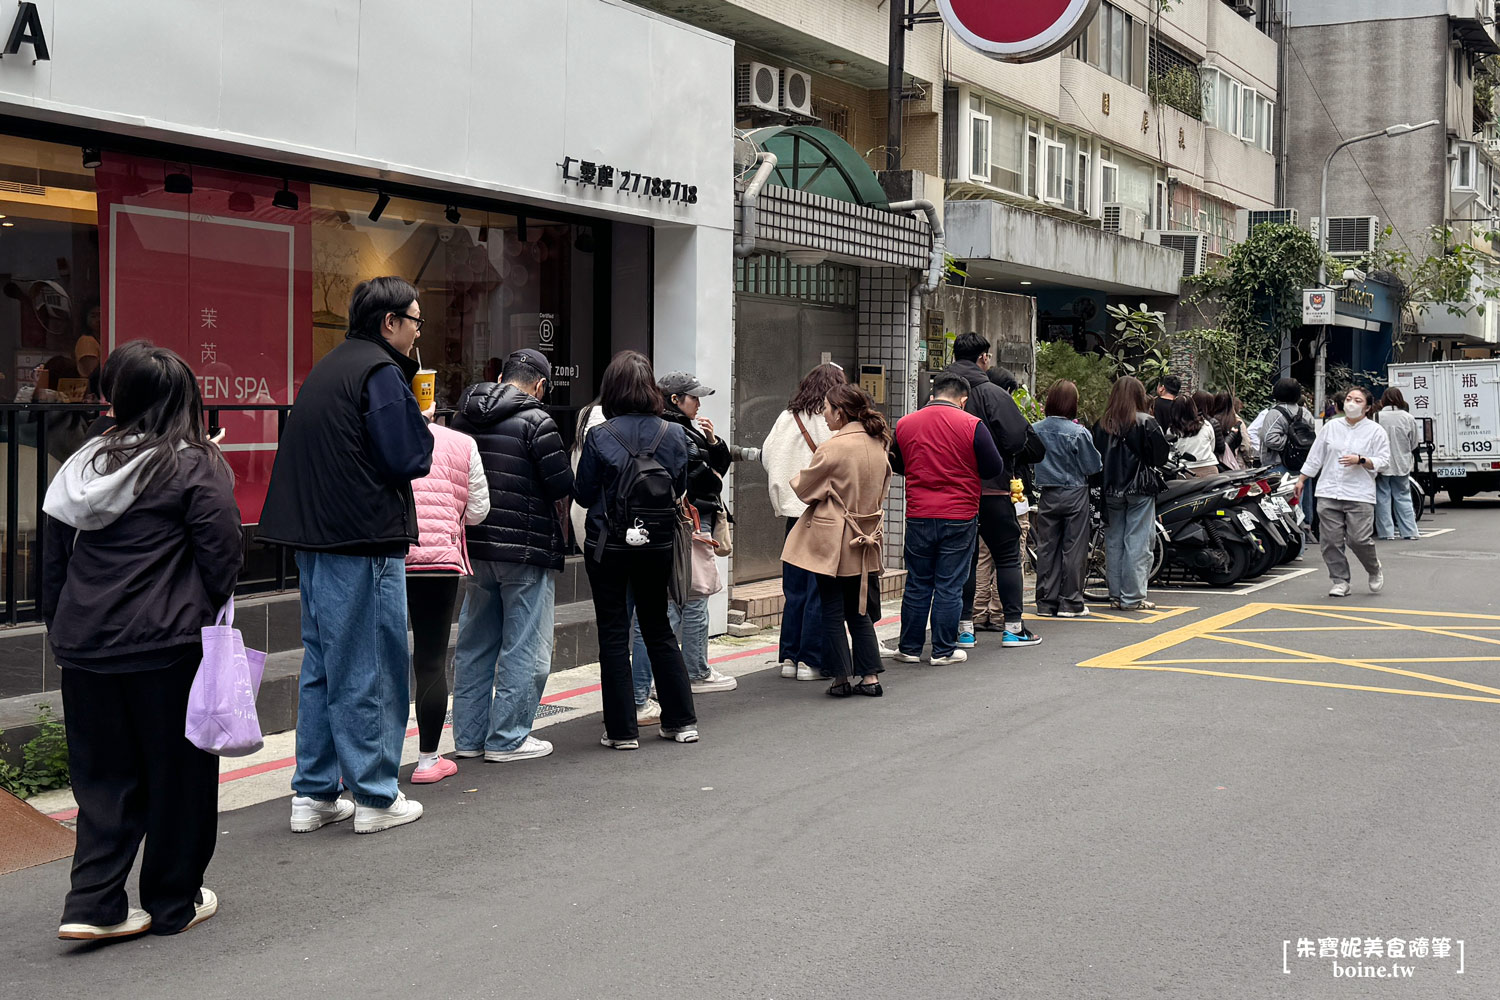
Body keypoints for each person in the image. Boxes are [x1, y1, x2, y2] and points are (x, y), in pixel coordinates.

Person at [41, 345, 240, 940]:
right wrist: (198, 615)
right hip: (166, 645)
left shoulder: (82, 463)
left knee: (102, 777)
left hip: (85, 644)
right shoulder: (193, 463)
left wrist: (66, 625)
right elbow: (223, 553)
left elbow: (52, 565)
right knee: (179, 776)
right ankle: (172, 900)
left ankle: (92, 904)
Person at [260, 276, 435, 835]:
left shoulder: (330, 366)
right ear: (390, 323)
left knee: (324, 667)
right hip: (362, 542)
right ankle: (377, 796)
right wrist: (423, 426)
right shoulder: (380, 373)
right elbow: (408, 455)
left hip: (316, 542)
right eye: (414, 321)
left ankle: (314, 793)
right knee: (373, 667)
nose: (416, 332)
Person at [449, 350, 575, 763]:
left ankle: (467, 739)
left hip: (475, 546)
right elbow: (561, 485)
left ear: (501, 376)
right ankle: (507, 738)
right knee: (523, 646)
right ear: (540, 386)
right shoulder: (538, 421)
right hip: (525, 548)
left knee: (475, 644)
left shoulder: (464, 416)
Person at [575, 351, 698, 748]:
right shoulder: (674, 434)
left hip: (608, 546)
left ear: (610, 389)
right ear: (651, 389)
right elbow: (678, 488)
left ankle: (622, 731)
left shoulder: (599, 435)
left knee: (613, 634)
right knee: (658, 627)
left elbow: (583, 493)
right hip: (657, 544)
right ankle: (681, 721)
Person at [628, 371, 738, 695]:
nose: (699, 403)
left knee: (680, 603)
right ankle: (691, 672)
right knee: (688, 600)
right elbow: (707, 480)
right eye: (693, 397)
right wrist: (713, 469)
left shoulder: (679, 429)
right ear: (674, 399)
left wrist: (714, 442)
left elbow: (715, 465)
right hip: (687, 523)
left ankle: (670, 676)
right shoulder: (676, 431)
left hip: (677, 523)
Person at [781, 384, 892, 696]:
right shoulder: (878, 444)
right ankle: (870, 678)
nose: (824, 414)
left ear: (840, 412)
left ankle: (840, 678)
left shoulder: (832, 448)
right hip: (866, 533)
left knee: (831, 608)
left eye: (827, 408)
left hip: (835, 536)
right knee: (859, 609)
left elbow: (804, 489)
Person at [890, 372, 1005, 665]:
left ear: (933, 395)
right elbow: (993, 467)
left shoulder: (905, 424)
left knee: (917, 583)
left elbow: (897, 463)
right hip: (960, 514)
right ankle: (942, 650)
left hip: (918, 514)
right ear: (963, 400)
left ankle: (910, 648)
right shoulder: (972, 425)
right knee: (949, 584)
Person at [403, 407, 490, 785]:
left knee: (377, 660)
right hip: (439, 561)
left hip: (389, 557)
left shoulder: (380, 436)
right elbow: (477, 512)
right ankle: (427, 760)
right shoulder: (462, 443)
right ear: (432, 408)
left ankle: (367, 762)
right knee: (431, 660)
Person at [945, 332, 1040, 649]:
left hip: (952, 494)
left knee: (965, 561)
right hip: (995, 491)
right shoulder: (992, 393)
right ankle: (1013, 627)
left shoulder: (935, 395)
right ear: (983, 357)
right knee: (1008, 558)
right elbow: (1017, 438)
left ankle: (964, 629)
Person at [761, 362, 848, 680]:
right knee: (818, 590)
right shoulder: (833, 420)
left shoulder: (787, 417)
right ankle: (811, 661)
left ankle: (789, 658)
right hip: (822, 514)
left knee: (795, 589)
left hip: (792, 514)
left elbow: (768, 456)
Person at [1295, 385, 1390, 597]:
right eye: (1349, 398)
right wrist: (1302, 479)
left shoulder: (1376, 431)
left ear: (1367, 408)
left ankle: (1373, 569)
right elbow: (1316, 455)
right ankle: (1340, 580)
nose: (1351, 403)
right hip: (1329, 491)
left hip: (1359, 493)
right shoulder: (1331, 427)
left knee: (1359, 539)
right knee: (1330, 541)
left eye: (1358, 401)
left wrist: (1362, 460)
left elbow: (1383, 462)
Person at [1093, 376, 1170, 611]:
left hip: (1110, 490)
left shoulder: (1101, 424)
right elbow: (1161, 457)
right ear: (1139, 395)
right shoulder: (1147, 422)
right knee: (1138, 542)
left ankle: (1116, 595)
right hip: (1140, 489)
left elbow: (1095, 459)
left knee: (1114, 542)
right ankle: (1133, 597)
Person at [1031, 381, 1102, 617]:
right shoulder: (1079, 432)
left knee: (1047, 547)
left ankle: (1045, 602)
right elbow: (1093, 465)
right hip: (1074, 491)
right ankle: (1070, 602)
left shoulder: (1035, 429)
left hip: (1047, 492)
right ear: (1073, 404)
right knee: (1074, 549)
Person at [1374, 388, 1421, 541]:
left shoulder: (1377, 417)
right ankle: (1410, 531)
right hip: (1402, 462)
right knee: (1403, 496)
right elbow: (1414, 443)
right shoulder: (1408, 418)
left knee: (1382, 497)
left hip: (1382, 463)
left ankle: (1386, 533)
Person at [1164, 396, 1218, 478]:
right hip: (1210, 469)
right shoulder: (1206, 425)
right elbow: (1212, 447)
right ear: (1193, 408)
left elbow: (1171, 454)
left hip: (1186, 472)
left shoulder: (1172, 431)